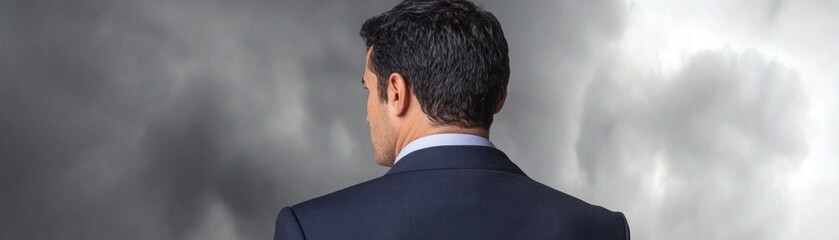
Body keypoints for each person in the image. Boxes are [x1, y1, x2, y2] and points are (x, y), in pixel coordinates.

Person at [274, 0, 629, 239]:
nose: (367, 112)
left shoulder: (314, 229)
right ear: (500, 97)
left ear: (396, 92)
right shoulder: (599, 229)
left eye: (368, 89)